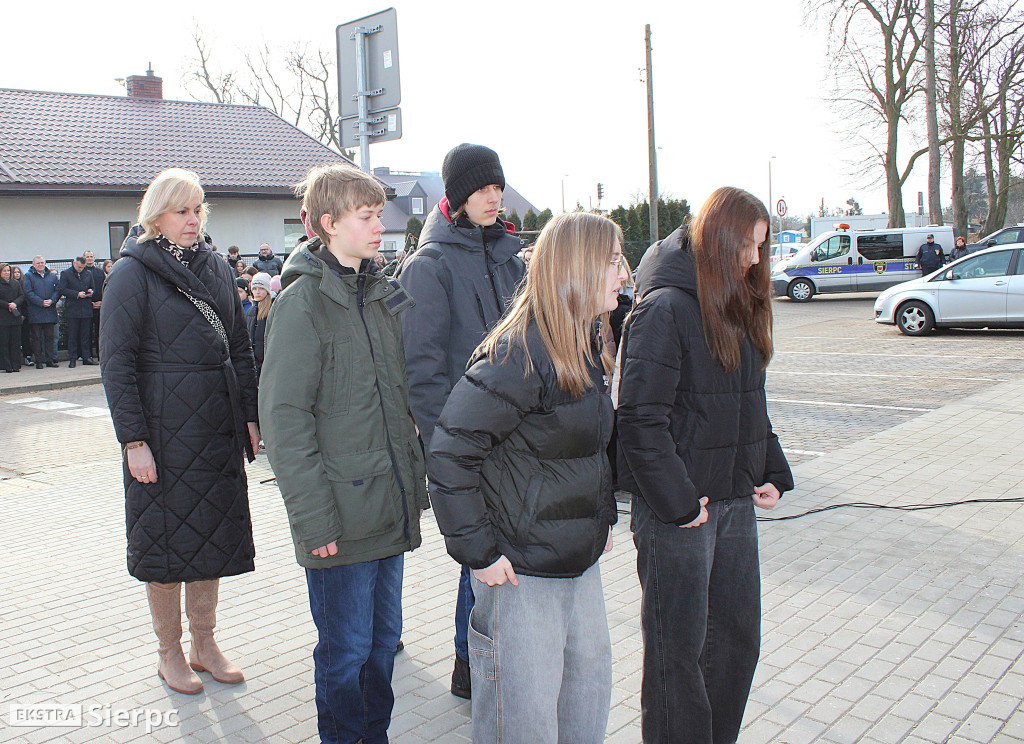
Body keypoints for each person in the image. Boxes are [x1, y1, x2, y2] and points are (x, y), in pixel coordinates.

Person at [429, 211, 624, 743]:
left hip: (579, 565)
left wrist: (603, 519)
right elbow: (449, 455)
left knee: (585, 705)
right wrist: (481, 554)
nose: (622, 274)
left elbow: (590, 450)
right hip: (522, 576)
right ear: (578, 268)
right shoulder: (517, 353)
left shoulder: (583, 345)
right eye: (611, 261)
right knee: (523, 723)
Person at [616, 186, 795, 744]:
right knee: (680, 657)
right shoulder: (664, 308)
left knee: (737, 643)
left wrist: (770, 468)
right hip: (682, 516)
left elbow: (749, 402)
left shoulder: (738, 303)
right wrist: (678, 505)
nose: (755, 259)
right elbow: (640, 419)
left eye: (762, 248)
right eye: (747, 246)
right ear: (716, 241)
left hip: (735, 502)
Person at [259, 163, 428, 744]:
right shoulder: (302, 304)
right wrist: (312, 519)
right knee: (345, 652)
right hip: (338, 519)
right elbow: (285, 423)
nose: (380, 225)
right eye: (368, 216)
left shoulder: (379, 295)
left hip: (387, 508)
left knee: (383, 646)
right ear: (329, 224)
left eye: (381, 214)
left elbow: (397, 404)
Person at [99, 167, 260, 696]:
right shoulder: (131, 273)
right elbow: (116, 366)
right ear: (155, 215)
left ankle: (205, 643)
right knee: (166, 546)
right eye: (181, 210)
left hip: (214, 430)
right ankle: (169, 652)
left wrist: (249, 416)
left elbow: (239, 345)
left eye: (198, 209)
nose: (193, 220)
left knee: (208, 538)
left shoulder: (215, 267)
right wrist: (134, 442)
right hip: (162, 436)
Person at [399, 142, 526, 699]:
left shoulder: (511, 257)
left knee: (505, 546)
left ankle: (500, 655)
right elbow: (421, 369)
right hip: (465, 436)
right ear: (457, 196)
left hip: (518, 434)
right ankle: (468, 662)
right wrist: (442, 441)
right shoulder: (429, 266)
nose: (494, 198)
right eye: (482, 189)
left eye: (498, 188)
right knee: (476, 550)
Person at [58, 256, 97, 367]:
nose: (80, 269)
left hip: (86, 308)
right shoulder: (66, 274)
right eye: (79, 267)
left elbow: (92, 287)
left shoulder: (88, 273)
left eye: (82, 267)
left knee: (86, 335)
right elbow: (62, 289)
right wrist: (76, 294)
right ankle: (72, 358)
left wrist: (91, 291)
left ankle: (86, 357)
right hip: (73, 308)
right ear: (74, 263)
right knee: (73, 335)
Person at [22, 255, 60, 369]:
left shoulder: (52, 276)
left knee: (49, 337)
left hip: (50, 311)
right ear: (33, 264)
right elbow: (28, 292)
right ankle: (38, 361)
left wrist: (52, 300)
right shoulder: (28, 276)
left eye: (42, 262)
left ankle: (50, 360)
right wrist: (41, 302)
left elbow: (58, 290)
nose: (40, 265)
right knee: (36, 338)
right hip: (36, 312)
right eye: (38, 263)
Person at [246, 272, 272, 380]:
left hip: (267, 362)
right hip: (254, 363)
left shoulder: (272, 309)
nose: (257, 292)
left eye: (261, 288)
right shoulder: (251, 311)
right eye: (254, 288)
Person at [0, 263, 25, 373]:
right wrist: (7, 305)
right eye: (4, 271)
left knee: (16, 342)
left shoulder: (15, 283)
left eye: (8, 271)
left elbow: (22, 296)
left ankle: (16, 365)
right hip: (3, 317)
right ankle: (7, 366)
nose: (7, 273)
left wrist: (15, 303)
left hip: (15, 316)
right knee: (4, 342)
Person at [83, 251, 106, 360]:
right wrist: (90, 302)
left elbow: (104, 287)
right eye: (87, 257)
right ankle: (87, 355)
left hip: (100, 306)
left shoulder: (100, 272)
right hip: (87, 305)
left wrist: (101, 301)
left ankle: (99, 353)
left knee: (99, 331)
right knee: (86, 332)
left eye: (91, 256)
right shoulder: (82, 272)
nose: (89, 258)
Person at [11, 265, 32, 366]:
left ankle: (27, 357)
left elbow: (25, 299)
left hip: (24, 314)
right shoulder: (10, 286)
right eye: (14, 272)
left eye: (18, 272)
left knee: (25, 337)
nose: (17, 274)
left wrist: (24, 314)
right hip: (12, 315)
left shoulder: (24, 285)